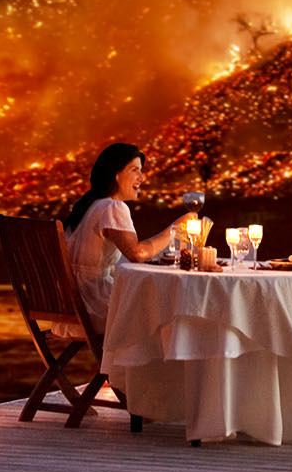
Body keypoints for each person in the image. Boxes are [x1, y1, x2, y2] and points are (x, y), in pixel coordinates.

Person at [61, 142, 193, 334]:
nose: (141, 177)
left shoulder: (88, 206)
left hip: (72, 305)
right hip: (94, 307)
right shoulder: (111, 207)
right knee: (174, 317)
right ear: (116, 174)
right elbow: (137, 253)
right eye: (134, 170)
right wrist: (177, 229)